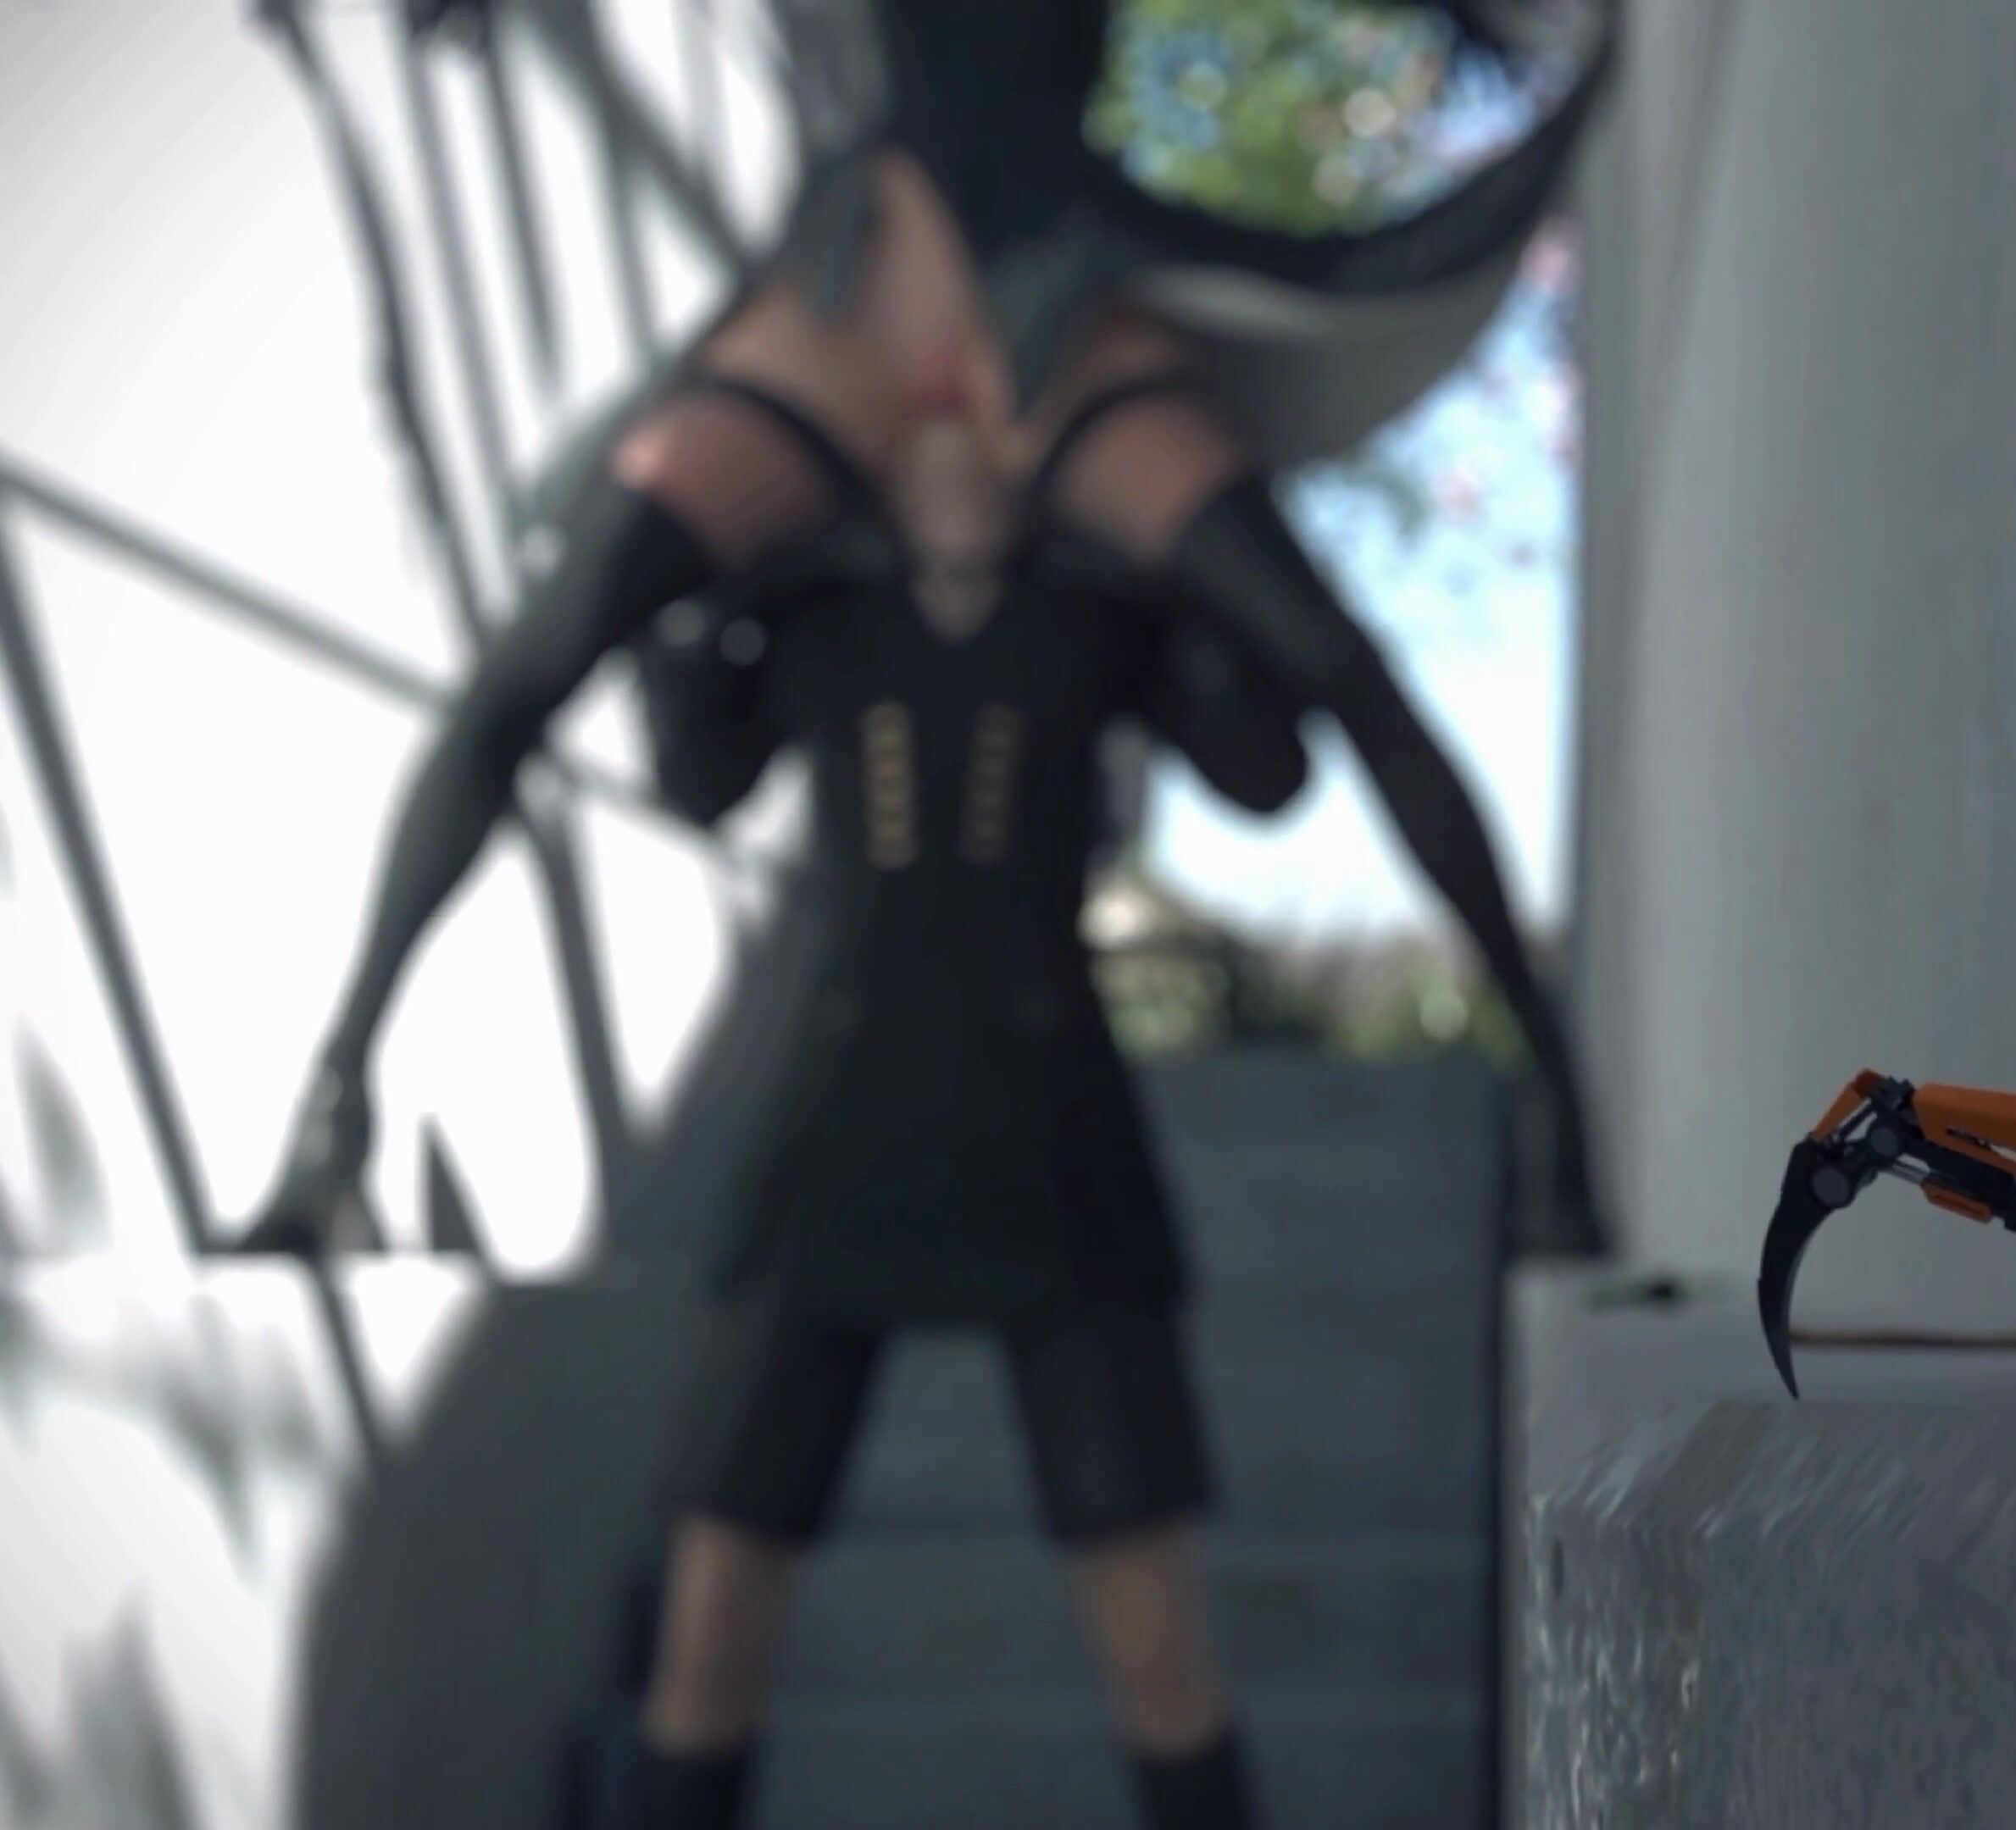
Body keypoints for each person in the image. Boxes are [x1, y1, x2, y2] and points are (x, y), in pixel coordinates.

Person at [243, 6, 1614, 1827]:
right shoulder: (831, 624)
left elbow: (1279, 746)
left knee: (1138, 1654)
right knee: (727, 1631)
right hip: (889, 310)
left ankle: (1552, 1086)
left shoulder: (1079, 621)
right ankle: (333, 1097)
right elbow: (678, 756)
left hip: (1038, 1096)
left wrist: (1196, 627)